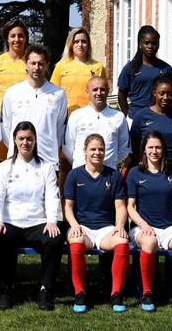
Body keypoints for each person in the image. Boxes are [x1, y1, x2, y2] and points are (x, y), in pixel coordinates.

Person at [0, 122, 64, 311]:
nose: (25, 142)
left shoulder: (46, 167)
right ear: (14, 140)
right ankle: (4, 289)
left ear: (35, 140)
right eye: (21, 138)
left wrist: (52, 221)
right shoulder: (4, 167)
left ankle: (45, 289)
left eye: (29, 138)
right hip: (10, 222)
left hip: (37, 222)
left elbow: (52, 197)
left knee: (54, 239)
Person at [126, 132, 172, 312]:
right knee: (149, 242)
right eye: (150, 147)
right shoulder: (135, 173)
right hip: (143, 227)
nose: (154, 151)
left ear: (163, 149)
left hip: (169, 227)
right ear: (144, 150)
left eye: (158, 147)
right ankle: (147, 293)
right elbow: (130, 207)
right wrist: (143, 225)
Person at [64, 134, 129, 314]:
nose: (97, 153)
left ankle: (116, 293)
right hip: (83, 226)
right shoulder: (74, 175)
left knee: (122, 243)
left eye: (100, 149)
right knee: (76, 241)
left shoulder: (114, 175)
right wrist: (74, 225)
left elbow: (121, 206)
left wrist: (120, 226)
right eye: (93, 149)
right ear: (85, 151)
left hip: (106, 229)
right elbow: (68, 207)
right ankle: (79, 293)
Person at [0, 20, 29, 226]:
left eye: (20, 35)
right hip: (2, 124)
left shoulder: (30, 61)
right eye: (13, 36)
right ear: (7, 39)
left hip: (25, 123)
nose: (17, 39)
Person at [1, 44, 67, 176]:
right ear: (26, 64)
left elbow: (60, 130)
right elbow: (6, 128)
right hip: (17, 163)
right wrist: (22, 150)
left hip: (48, 163)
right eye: (33, 63)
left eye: (41, 64)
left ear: (47, 66)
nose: (37, 68)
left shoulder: (59, 94)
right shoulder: (12, 93)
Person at [63, 76, 129, 170]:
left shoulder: (118, 117)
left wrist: (110, 162)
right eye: (95, 89)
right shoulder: (76, 116)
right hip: (81, 173)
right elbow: (68, 147)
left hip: (108, 173)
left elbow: (124, 148)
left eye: (102, 89)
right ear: (87, 92)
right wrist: (81, 163)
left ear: (108, 91)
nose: (99, 93)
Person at [129, 75, 172, 168]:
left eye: (170, 94)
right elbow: (134, 143)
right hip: (148, 170)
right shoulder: (141, 116)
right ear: (154, 93)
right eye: (162, 93)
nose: (166, 97)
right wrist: (142, 162)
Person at [117, 25, 172, 122]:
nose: (150, 46)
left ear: (158, 45)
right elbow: (121, 95)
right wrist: (128, 116)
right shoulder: (130, 68)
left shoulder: (166, 68)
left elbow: (171, 95)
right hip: (135, 117)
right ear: (140, 44)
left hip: (159, 117)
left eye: (154, 43)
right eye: (146, 43)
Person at [50, 27, 106, 114]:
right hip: (66, 115)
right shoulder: (60, 66)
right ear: (71, 45)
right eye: (76, 42)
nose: (80, 45)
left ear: (88, 44)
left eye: (84, 41)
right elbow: (52, 93)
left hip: (91, 114)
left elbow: (104, 93)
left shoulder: (98, 67)